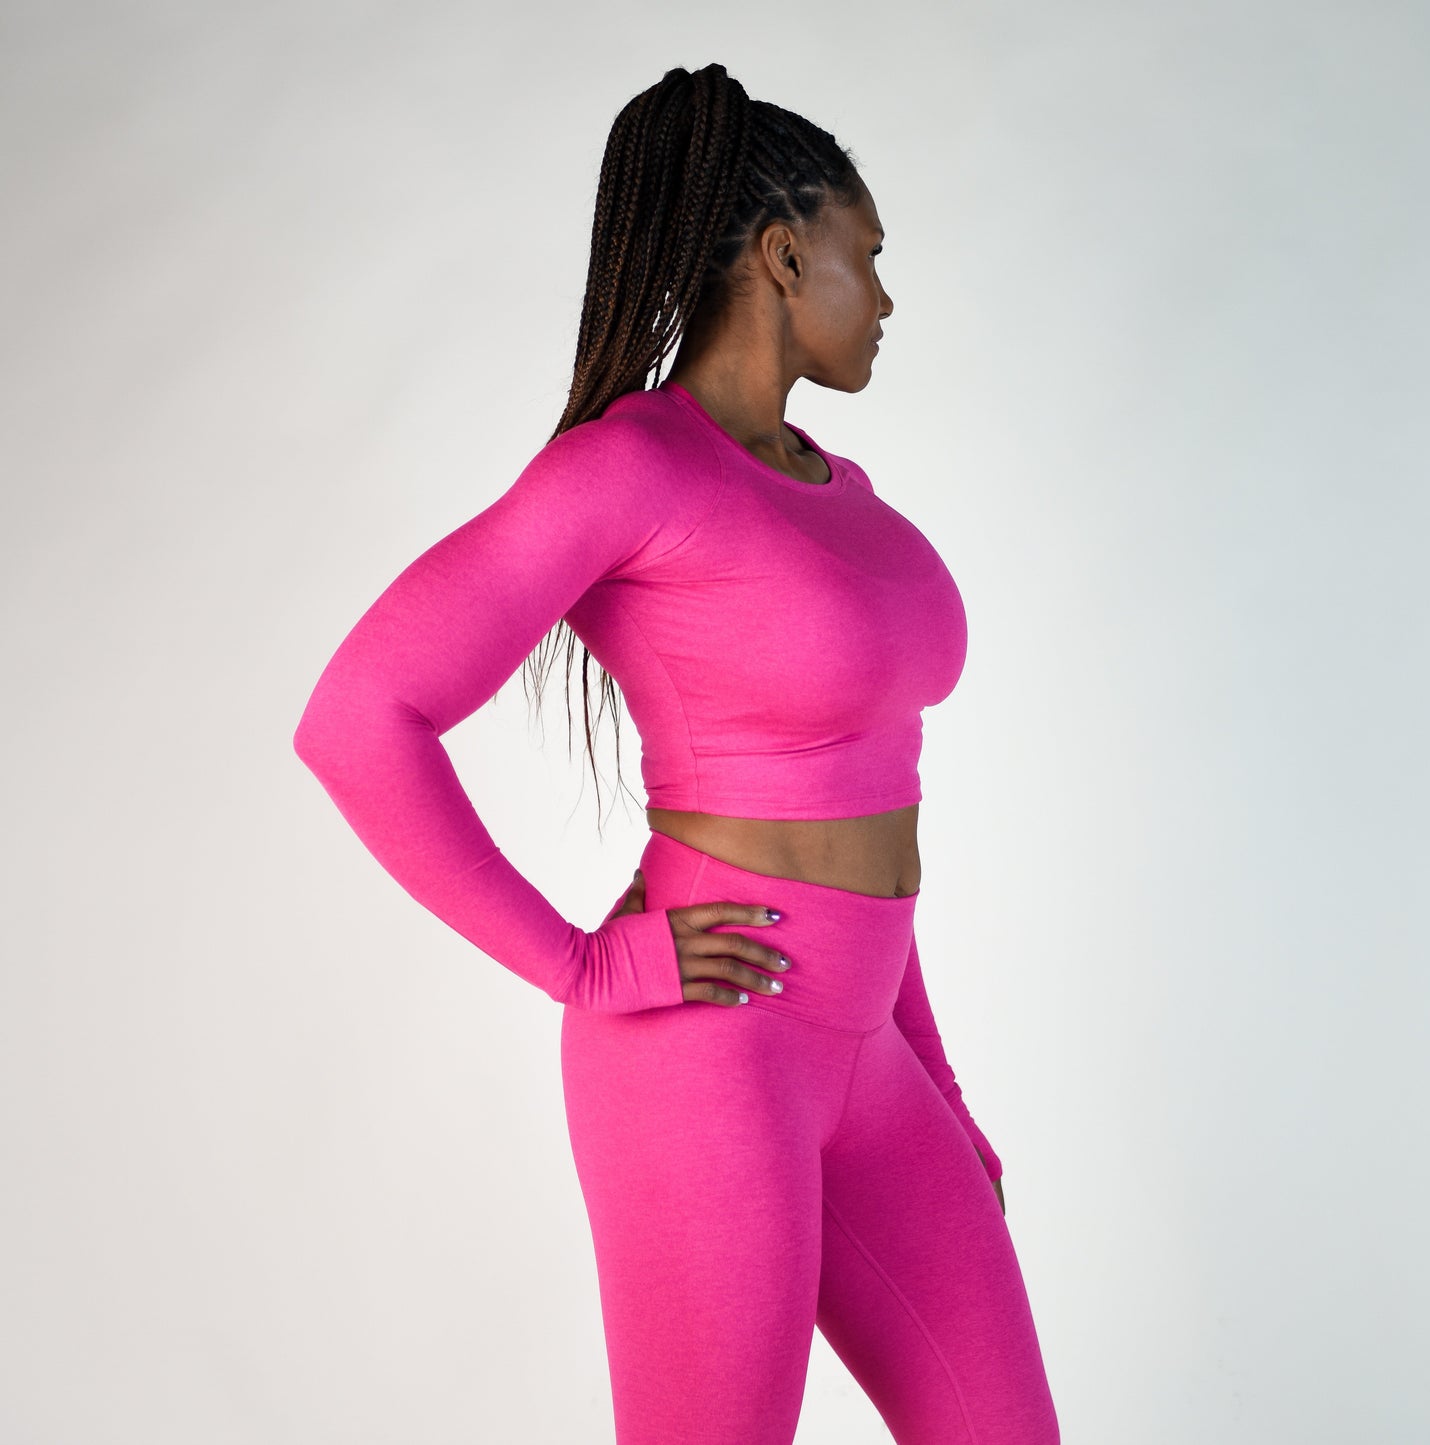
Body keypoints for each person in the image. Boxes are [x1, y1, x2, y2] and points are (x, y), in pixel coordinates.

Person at [294, 61, 1059, 1445]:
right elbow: (358, 718)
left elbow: (873, 813)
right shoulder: (629, 468)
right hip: (707, 1054)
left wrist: (940, 1091)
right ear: (784, 253)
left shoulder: (843, 489)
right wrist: (584, 965)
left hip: (873, 1049)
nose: (887, 299)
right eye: (870, 255)